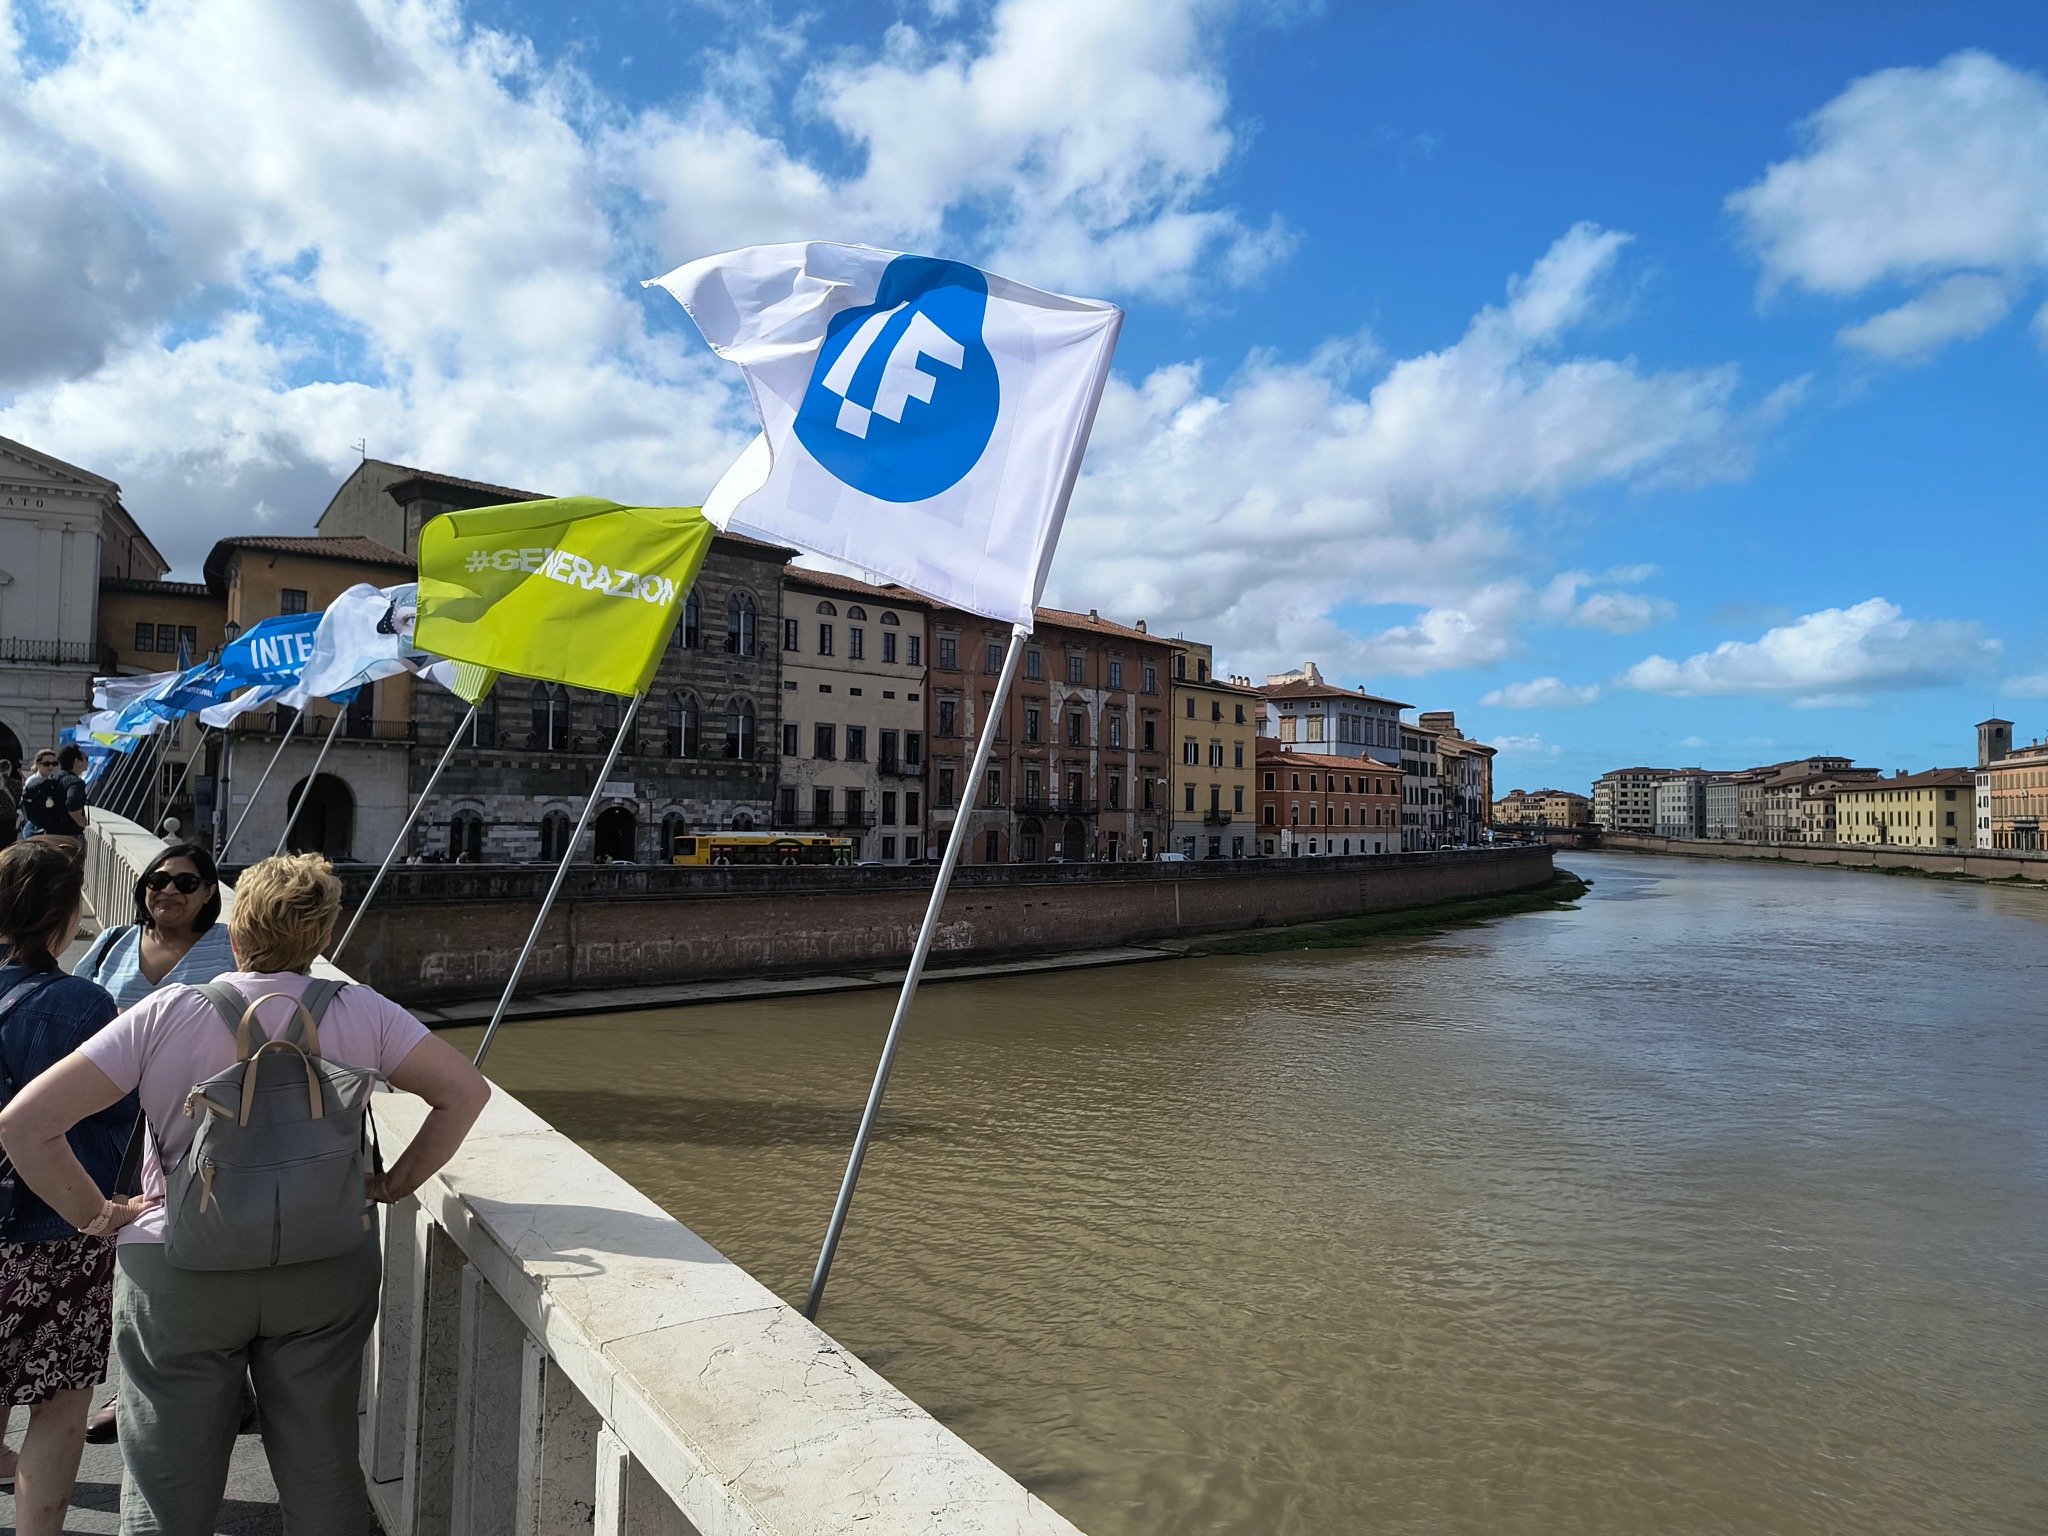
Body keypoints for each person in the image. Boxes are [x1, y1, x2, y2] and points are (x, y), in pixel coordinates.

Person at [0, 852, 490, 1535]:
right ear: (321, 937)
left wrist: (97, 1214)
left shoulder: (169, 1012)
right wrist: (392, 1183)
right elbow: (465, 1093)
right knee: (322, 1470)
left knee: (167, 1481)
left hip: (182, 1267)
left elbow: (25, 1124)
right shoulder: (364, 1011)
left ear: (232, 933)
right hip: (324, 1261)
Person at [70, 841, 236, 1444]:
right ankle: (135, 1386)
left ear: (209, 894)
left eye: (186, 883)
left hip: (193, 1129)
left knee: (194, 1256)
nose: (168, 890)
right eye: (157, 879)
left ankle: (213, 1380)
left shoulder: (230, 947)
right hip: (111, 1125)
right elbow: (77, 1015)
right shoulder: (114, 940)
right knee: (129, 1261)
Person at [0, 841, 138, 1536]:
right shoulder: (85, 1004)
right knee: (58, 1404)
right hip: (59, 1231)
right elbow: (120, 1113)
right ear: (66, 916)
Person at [21, 746, 88, 844]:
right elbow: (71, 803)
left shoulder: (54, 778)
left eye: (54, 764)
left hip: (52, 834)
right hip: (69, 837)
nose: (87, 762)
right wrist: (80, 821)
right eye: (86, 758)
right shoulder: (75, 782)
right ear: (77, 761)